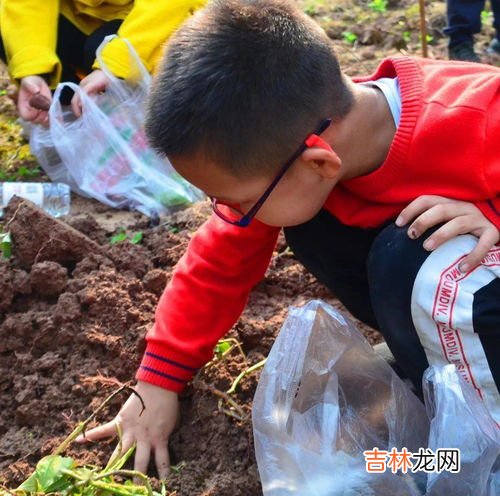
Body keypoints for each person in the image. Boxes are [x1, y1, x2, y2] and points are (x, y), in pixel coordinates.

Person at [76, 0, 500, 479]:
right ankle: (433, 402)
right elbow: (217, 263)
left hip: (468, 286)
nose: (229, 214)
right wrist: (158, 381)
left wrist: (494, 217)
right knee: (335, 232)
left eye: (235, 200)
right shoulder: (290, 153)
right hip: (448, 316)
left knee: (416, 258)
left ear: (319, 162)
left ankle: (479, 458)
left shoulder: (481, 114)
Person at [0, 0, 206, 124]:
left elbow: (168, 7)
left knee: (100, 50)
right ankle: (74, 114)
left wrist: (115, 63)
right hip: (78, 16)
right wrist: (33, 69)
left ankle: (140, 122)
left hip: (150, 21)